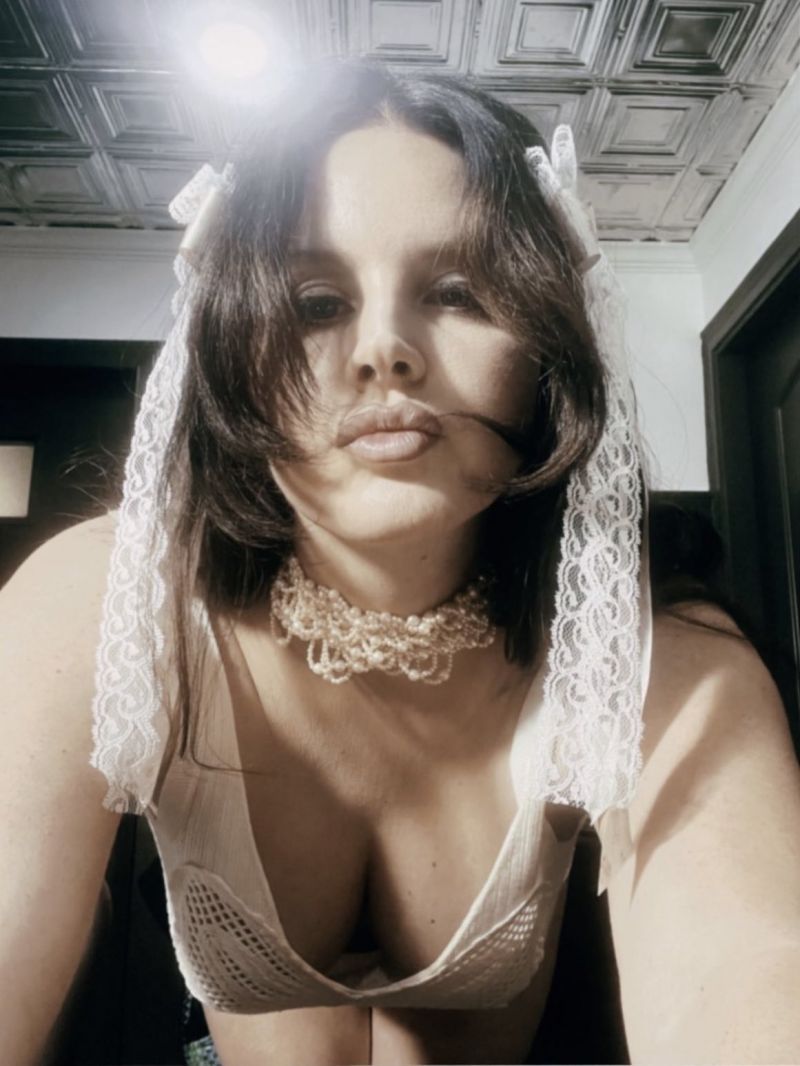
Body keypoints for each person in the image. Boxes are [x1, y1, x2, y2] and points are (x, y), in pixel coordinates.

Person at [1, 59, 799, 1066]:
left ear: (546, 346)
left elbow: (746, 970)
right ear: (230, 347)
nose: (384, 349)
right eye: (314, 301)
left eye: (458, 291)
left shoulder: (650, 652)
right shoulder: (110, 597)